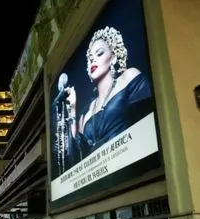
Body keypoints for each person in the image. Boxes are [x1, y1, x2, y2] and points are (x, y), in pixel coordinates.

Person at [63, 26, 152, 160]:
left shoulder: (128, 77)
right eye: (90, 58)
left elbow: (149, 125)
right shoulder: (86, 113)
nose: (93, 60)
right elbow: (78, 157)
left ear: (114, 57)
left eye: (99, 53)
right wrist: (72, 109)